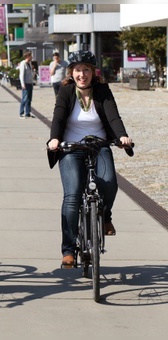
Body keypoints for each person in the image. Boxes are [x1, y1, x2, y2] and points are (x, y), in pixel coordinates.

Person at [46, 50, 133, 267]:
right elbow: (58, 117)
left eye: (86, 70)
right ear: (71, 73)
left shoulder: (102, 90)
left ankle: (105, 216)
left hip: (99, 145)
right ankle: (68, 250)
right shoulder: (66, 91)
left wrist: (122, 136)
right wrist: (54, 139)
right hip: (71, 148)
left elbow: (113, 115)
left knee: (110, 183)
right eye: (78, 70)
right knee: (73, 195)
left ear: (94, 72)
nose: (82, 74)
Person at [18, 52, 35, 119]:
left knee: (29, 99)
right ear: (27, 56)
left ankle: (28, 113)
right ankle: (21, 113)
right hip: (25, 83)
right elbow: (21, 75)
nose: (32, 57)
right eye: (31, 56)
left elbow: (30, 73)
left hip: (30, 83)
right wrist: (22, 83)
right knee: (24, 98)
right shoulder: (23, 64)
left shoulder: (29, 63)